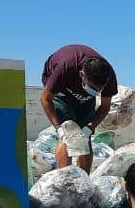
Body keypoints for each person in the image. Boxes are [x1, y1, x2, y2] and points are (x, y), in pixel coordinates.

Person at [40, 44, 119, 172]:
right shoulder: (65, 67)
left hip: (83, 97)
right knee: (69, 132)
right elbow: (45, 99)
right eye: (92, 88)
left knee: (84, 136)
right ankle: (65, 180)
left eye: (98, 90)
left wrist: (91, 127)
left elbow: (105, 107)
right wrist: (59, 128)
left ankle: (84, 181)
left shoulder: (109, 76)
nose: (95, 92)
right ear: (82, 74)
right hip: (62, 90)